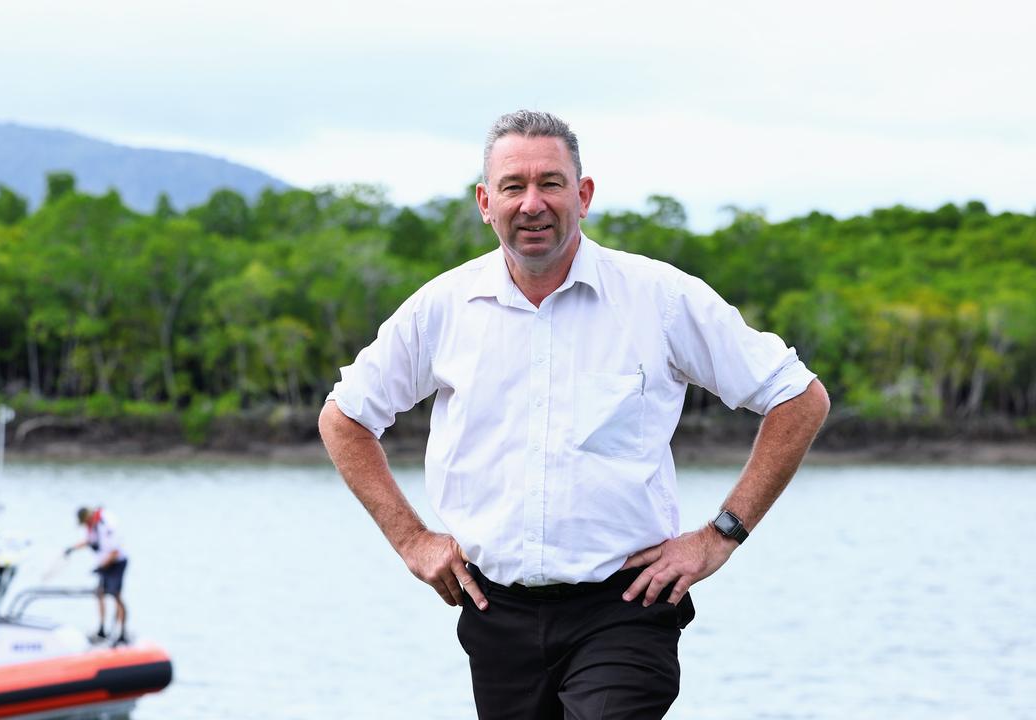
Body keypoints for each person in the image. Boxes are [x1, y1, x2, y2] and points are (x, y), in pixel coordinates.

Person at [319, 110, 830, 719]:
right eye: (513, 186)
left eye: (551, 183)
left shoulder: (657, 298)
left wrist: (721, 535)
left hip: (626, 607)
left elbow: (798, 396)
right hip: (494, 615)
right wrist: (412, 540)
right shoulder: (444, 308)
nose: (532, 203)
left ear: (582, 196)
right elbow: (344, 417)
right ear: (486, 202)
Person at [65, 506, 130, 645]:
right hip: (105, 563)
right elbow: (90, 541)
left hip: (117, 563)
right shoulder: (92, 526)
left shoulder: (106, 523)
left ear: (89, 517)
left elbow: (115, 552)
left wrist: (100, 567)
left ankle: (122, 632)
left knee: (116, 596)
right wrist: (72, 549)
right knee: (99, 593)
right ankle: (102, 629)